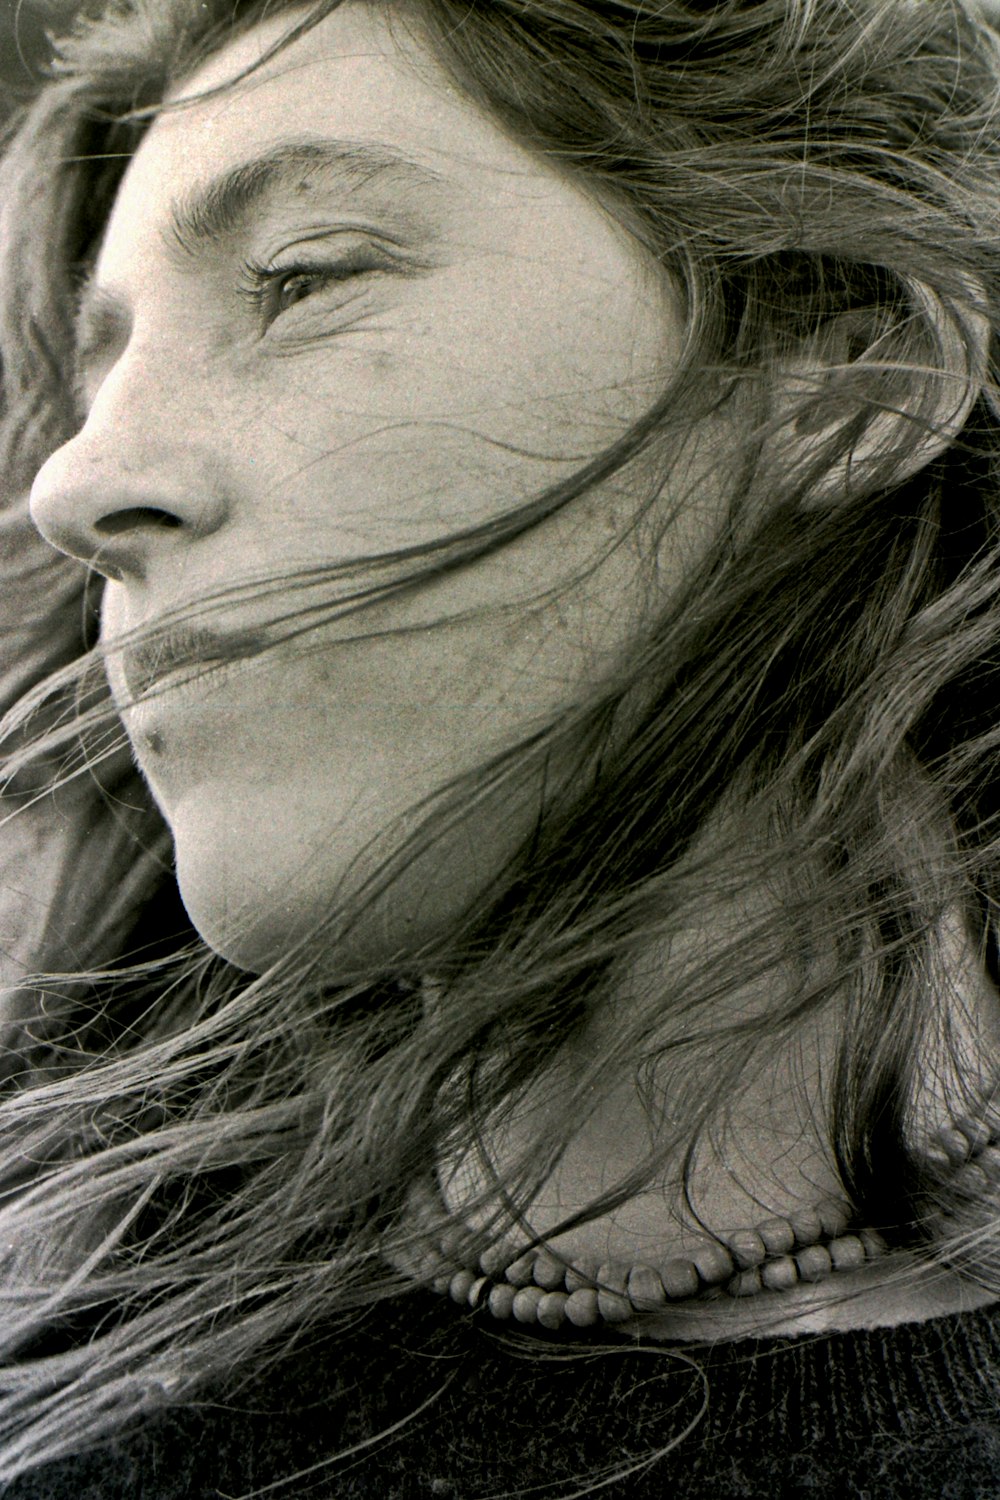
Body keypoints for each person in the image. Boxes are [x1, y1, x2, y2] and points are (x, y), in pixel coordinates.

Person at [0, 0, 999, 1493]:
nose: (78, 485)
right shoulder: (70, 1377)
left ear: (851, 379)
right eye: (101, 372)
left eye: (299, 278)